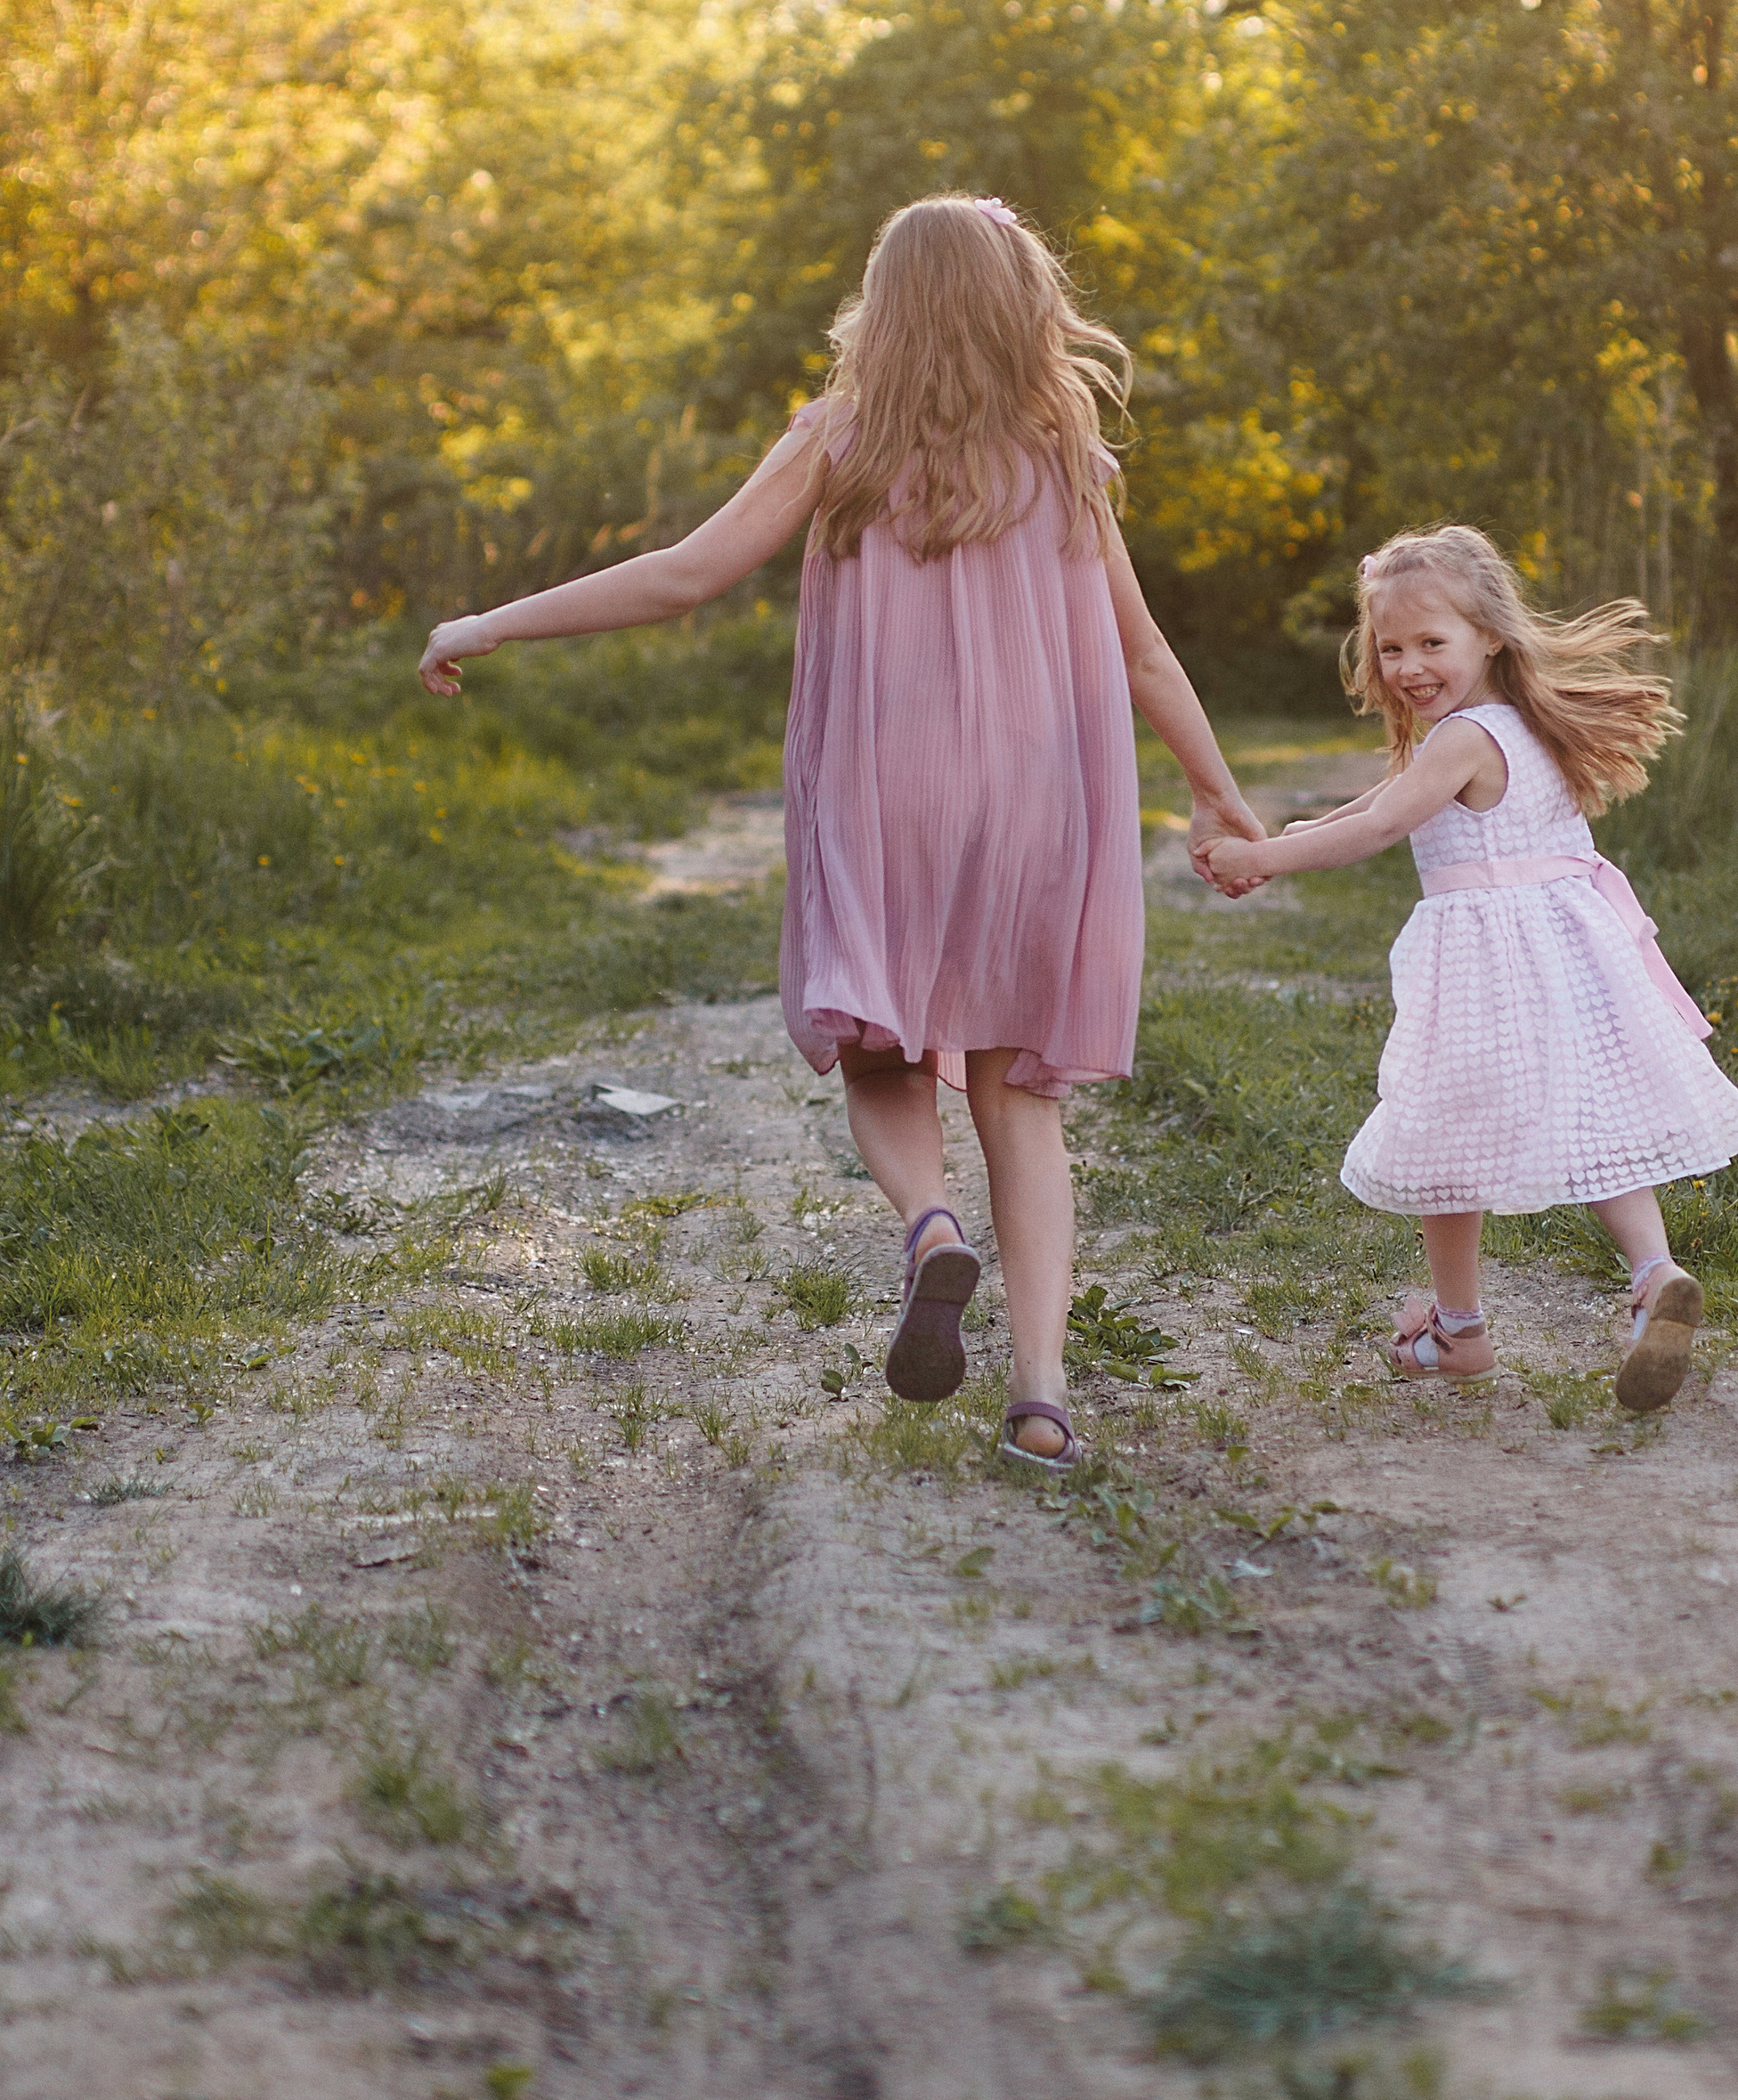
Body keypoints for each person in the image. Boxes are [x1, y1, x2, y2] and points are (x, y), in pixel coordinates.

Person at [420, 193, 1262, 1467]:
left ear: (886, 303)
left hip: (886, 795)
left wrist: (492, 621)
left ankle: (929, 1226)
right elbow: (1142, 652)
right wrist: (1213, 788)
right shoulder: (1065, 460)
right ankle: (1041, 1393)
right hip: (1038, 804)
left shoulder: (841, 440)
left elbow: (684, 574)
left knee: (882, 1057)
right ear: (1024, 309)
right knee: (1020, 1096)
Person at [1198, 525, 1738, 1410]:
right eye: (1390, 647)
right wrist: (1301, 831)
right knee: (1600, 1124)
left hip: (1489, 967)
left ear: (1489, 635)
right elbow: (1390, 799)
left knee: (1443, 1142)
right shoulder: (1519, 726)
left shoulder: (1462, 736)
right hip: (1570, 956)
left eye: (1432, 642)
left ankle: (1460, 1332)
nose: (1408, 664)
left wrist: (1268, 862)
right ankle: (1655, 1275)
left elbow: (1387, 825)